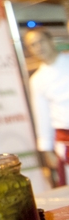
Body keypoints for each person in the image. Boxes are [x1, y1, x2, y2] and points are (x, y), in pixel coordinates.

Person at [24, 27, 69, 186]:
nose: (38, 47)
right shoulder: (37, 80)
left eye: (41, 41)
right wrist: (47, 149)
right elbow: (41, 115)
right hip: (65, 138)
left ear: (50, 41)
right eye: (33, 45)